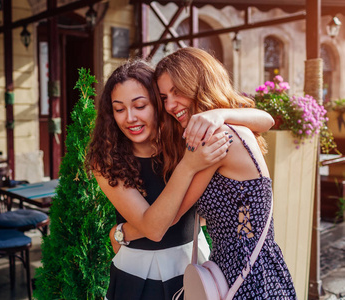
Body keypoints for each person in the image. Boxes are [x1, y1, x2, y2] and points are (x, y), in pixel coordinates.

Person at [86, 59, 275, 300]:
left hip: (192, 264)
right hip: (137, 274)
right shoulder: (106, 160)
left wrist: (219, 114)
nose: (130, 118)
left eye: (140, 105)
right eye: (119, 109)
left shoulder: (182, 138)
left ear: (157, 105)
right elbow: (154, 229)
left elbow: (266, 120)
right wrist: (188, 165)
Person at [149, 47, 295, 298]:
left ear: (199, 84)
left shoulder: (218, 136)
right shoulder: (229, 127)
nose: (170, 105)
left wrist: (127, 231)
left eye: (177, 91)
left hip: (246, 277)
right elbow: (265, 120)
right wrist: (220, 113)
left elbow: (172, 215)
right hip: (256, 268)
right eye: (164, 97)